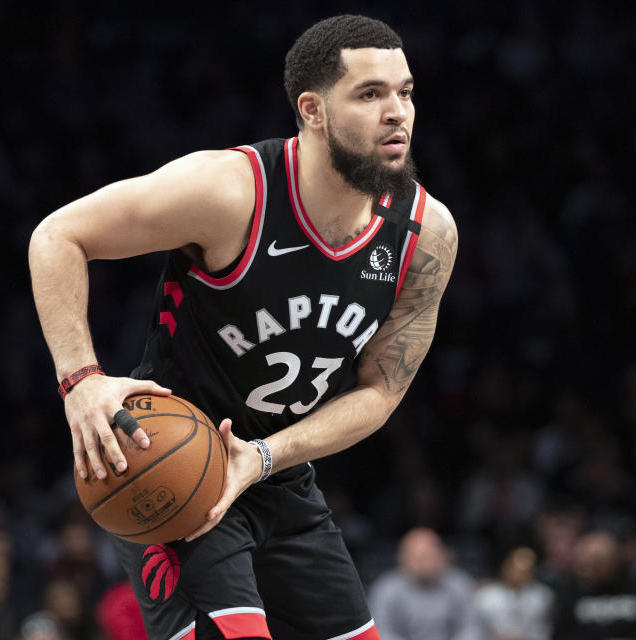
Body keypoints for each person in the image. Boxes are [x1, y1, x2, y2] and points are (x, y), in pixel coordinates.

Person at [29, 13, 457, 640]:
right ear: (312, 110)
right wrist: (82, 381)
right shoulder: (231, 192)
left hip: (274, 469)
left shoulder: (427, 234)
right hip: (174, 463)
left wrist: (261, 458)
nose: (398, 111)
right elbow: (58, 236)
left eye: (406, 91)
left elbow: (381, 391)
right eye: (370, 94)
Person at [367, 527, 479, 640]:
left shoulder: (459, 583)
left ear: (442, 556)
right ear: (403, 559)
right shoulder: (386, 588)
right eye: (419, 556)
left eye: (430, 555)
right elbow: (382, 632)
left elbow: (470, 628)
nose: (425, 563)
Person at [551, 531, 636, 640]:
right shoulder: (570, 593)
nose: (586, 570)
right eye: (582, 563)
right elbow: (561, 634)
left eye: (595, 562)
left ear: (614, 560)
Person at [473, 546, 555, 640]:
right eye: (515, 568)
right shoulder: (486, 595)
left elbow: (544, 628)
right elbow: (475, 628)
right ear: (505, 567)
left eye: (525, 570)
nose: (519, 574)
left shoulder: (542, 596)